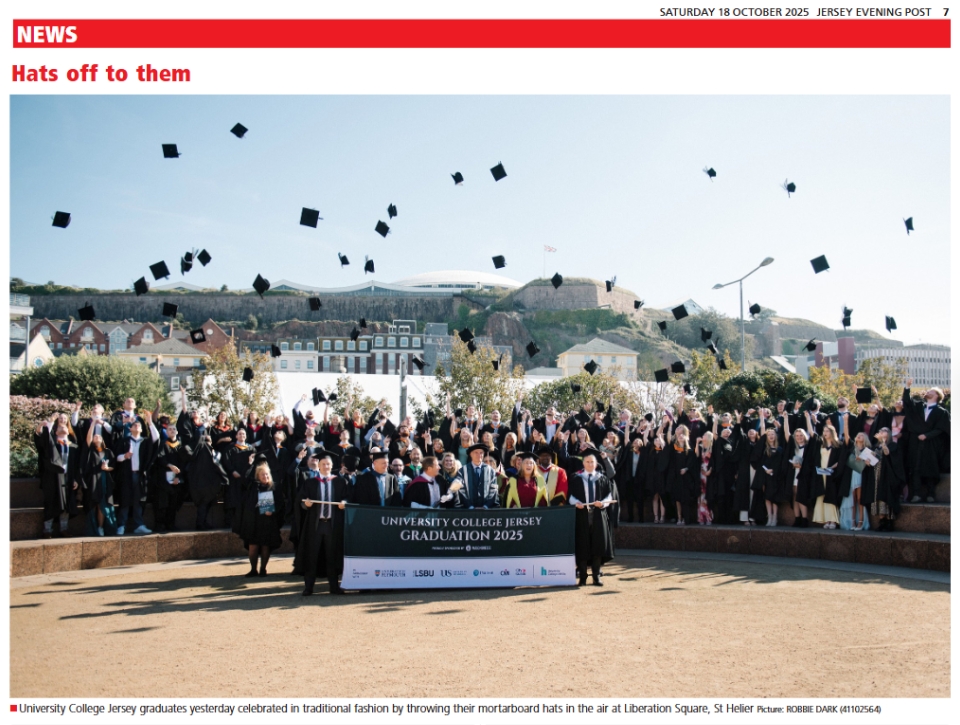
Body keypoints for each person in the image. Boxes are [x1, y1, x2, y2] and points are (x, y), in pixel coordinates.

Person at [294, 454, 348, 595]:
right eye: (323, 464)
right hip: (315, 525)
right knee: (312, 555)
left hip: (332, 524)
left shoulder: (340, 482)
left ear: (332, 466)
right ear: (318, 465)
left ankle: (334, 586)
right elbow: (301, 501)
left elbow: (346, 498)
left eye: (328, 464)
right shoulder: (310, 482)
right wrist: (305, 504)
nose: (326, 467)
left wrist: (344, 503)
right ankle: (309, 587)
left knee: (332, 555)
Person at [568, 449, 615, 586]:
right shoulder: (576, 478)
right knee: (582, 545)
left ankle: (596, 576)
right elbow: (570, 495)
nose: (590, 464)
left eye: (592, 462)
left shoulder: (602, 478)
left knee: (597, 545)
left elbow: (609, 496)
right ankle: (583, 576)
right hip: (582, 515)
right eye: (587, 462)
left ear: (596, 463)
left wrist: (603, 504)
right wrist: (575, 503)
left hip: (598, 515)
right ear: (583, 463)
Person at [901, 378, 950, 503]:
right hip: (916, 442)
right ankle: (916, 494)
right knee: (915, 467)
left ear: (937, 396)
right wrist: (907, 387)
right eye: (928, 390)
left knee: (931, 467)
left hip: (931, 444)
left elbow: (942, 428)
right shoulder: (918, 406)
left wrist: (927, 435)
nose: (928, 392)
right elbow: (906, 402)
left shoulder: (941, 412)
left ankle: (931, 494)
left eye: (931, 391)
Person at [234, 459, 285, 577]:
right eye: (262, 474)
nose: (265, 476)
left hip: (268, 521)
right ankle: (253, 569)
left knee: (265, 545)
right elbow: (244, 479)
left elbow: (280, 503)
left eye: (267, 474)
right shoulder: (253, 486)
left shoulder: (275, 487)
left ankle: (263, 569)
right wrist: (249, 464)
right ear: (258, 476)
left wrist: (272, 511)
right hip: (254, 520)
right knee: (253, 546)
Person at [34, 416, 81, 538]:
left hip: (68, 478)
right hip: (53, 478)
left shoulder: (73, 446)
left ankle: (63, 529)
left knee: (66, 504)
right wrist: (41, 426)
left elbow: (76, 465)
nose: (63, 427)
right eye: (60, 427)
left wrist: (76, 479)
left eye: (65, 426)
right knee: (51, 502)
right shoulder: (52, 444)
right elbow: (41, 440)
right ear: (55, 431)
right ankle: (47, 530)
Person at [113, 414, 159, 536]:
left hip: (140, 476)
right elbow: (116, 457)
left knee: (138, 501)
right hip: (127, 475)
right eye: (134, 425)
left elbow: (156, 438)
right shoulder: (124, 441)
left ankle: (139, 525)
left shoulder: (144, 441)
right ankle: (121, 525)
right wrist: (124, 456)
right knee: (125, 501)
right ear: (130, 428)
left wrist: (149, 422)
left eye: (139, 425)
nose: (137, 426)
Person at [860, 427, 904, 532]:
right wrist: (867, 461)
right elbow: (874, 460)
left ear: (888, 434)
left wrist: (883, 442)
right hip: (876, 475)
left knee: (886, 497)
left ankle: (889, 523)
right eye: (880, 431)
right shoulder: (876, 446)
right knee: (877, 498)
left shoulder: (892, 445)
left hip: (887, 476)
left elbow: (887, 453)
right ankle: (881, 522)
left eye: (883, 431)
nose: (880, 432)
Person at [152, 422, 191, 533]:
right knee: (162, 503)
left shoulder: (180, 446)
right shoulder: (163, 444)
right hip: (163, 480)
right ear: (166, 432)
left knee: (173, 503)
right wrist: (169, 465)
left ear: (177, 432)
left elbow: (183, 464)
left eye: (174, 429)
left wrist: (178, 477)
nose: (172, 431)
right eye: (169, 429)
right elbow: (159, 459)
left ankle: (170, 524)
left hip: (176, 480)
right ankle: (159, 525)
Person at [808, 420, 844, 529]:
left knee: (831, 496)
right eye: (824, 431)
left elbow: (841, 460)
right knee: (821, 495)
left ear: (832, 432)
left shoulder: (838, 445)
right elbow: (812, 433)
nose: (825, 433)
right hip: (821, 474)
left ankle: (832, 520)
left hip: (831, 474)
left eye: (827, 431)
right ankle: (824, 520)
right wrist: (807, 418)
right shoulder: (821, 444)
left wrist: (834, 467)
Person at [80, 431, 117, 536]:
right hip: (92, 481)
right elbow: (88, 439)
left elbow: (113, 466)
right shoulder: (90, 451)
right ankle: (93, 528)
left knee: (103, 505)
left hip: (104, 480)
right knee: (93, 505)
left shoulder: (108, 452)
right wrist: (93, 422)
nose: (97, 437)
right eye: (94, 436)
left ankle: (101, 527)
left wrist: (106, 468)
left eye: (99, 436)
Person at [187, 435, 228, 530]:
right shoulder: (208, 450)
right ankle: (200, 523)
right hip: (207, 483)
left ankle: (202, 522)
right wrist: (225, 478)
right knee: (204, 503)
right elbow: (217, 465)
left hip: (199, 483)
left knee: (205, 504)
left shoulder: (198, 450)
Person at [758, 415, 788, 527]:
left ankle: (774, 517)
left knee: (775, 497)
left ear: (775, 436)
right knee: (767, 496)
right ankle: (769, 516)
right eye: (769, 435)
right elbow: (762, 462)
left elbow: (781, 464)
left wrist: (774, 470)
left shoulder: (780, 449)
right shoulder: (764, 448)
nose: (771, 436)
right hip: (766, 476)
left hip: (776, 476)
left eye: (772, 435)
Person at [223, 428, 256, 528]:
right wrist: (232, 471)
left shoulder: (251, 449)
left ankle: (243, 523)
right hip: (234, 478)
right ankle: (230, 523)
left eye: (244, 434)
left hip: (246, 478)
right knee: (232, 499)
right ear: (236, 436)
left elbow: (254, 463)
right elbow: (226, 460)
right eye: (240, 434)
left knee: (245, 499)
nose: (242, 435)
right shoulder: (230, 448)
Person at [839, 432, 871, 531]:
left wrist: (867, 462)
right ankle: (852, 521)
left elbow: (871, 464)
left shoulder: (867, 450)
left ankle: (861, 522)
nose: (858, 436)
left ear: (865, 438)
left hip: (861, 476)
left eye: (861, 435)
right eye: (857, 435)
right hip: (851, 475)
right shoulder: (851, 449)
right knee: (852, 499)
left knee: (859, 499)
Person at [456, 443, 500, 508]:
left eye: (481, 453)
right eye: (476, 452)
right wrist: (470, 507)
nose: (479, 455)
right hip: (468, 511)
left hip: (487, 512)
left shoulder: (491, 471)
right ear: (471, 454)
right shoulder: (462, 471)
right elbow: (461, 491)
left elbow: (493, 490)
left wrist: (486, 506)